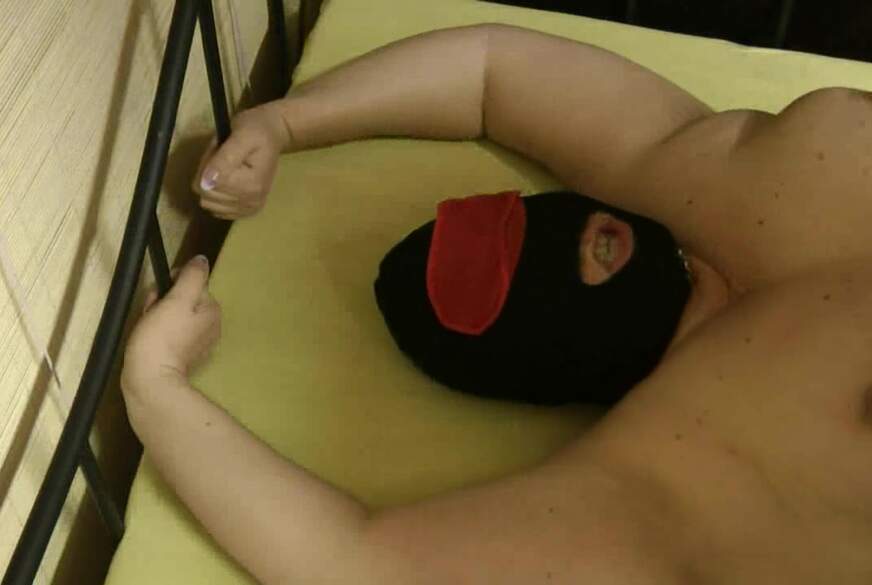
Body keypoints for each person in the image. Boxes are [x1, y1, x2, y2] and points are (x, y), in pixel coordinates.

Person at [122, 24, 872, 585]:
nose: (587, 247)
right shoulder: (667, 494)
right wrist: (156, 387)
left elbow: (491, 73)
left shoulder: (752, 187)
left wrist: (284, 121)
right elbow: (355, 561)